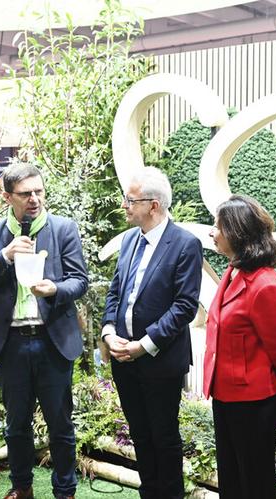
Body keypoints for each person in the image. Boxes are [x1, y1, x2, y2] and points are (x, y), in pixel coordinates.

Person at [0, 163, 88, 499]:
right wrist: (4, 257)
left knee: (61, 425)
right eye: (25, 194)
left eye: (39, 191)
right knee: (16, 425)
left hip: (53, 343)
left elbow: (79, 281)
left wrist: (55, 290)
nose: (34, 199)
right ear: (8, 197)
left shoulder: (63, 229)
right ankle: (21, 488)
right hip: (12, 346)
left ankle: (65, 491)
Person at [101, 166, 203, 499]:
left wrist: (143, 345)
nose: (125, 206)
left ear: (153, 205)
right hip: (123, 359)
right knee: (140, 436)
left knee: (164, 437)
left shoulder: (185, 244)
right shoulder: (130, 239)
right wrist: (108, 331)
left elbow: (184, 307)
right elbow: (115, 292)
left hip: (159, 362)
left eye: (130, 200)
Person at [202, 194, 276, 499]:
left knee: (255, 482)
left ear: (236, 232)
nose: (212, 232)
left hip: (255, 403)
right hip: (227, 397)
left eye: (218, 226)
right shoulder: (234, 273)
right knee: (232, 480)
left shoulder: (265, 285)